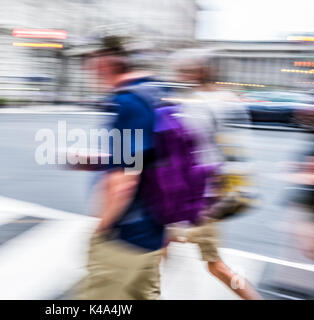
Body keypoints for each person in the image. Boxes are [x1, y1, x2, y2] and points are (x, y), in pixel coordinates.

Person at [73, 36, 167, 300]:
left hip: (125, 235)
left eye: (92, 63)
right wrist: (100, 162)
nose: (90, 71)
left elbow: (127, 177)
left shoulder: (128, 104)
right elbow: (144, 157)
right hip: (154, 231)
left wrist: (101, 228)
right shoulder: (155, 93)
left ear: (104, 64)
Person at [166, 48, 263, 300]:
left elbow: (205, 151)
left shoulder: (202, 104)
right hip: (204, 192)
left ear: (203, 71)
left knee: (213, 264)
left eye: (187, 69)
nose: (182, 74)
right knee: (167, 246)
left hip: (202, 195)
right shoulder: (222, 99)